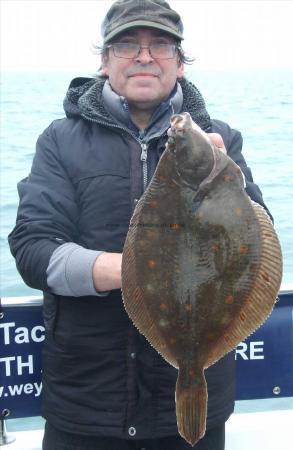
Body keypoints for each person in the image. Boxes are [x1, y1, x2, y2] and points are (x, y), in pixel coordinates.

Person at [8, 1, 270, 449]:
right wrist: (135, 274)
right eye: (127, 44)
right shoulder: (60, 140)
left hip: (195, 416)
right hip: (85, 407)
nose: (144, 56)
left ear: (180, 64)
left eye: (161, 45)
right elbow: (34, 249)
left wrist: (230, 179)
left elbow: (258, 248)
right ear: (104, 61)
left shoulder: (221, 140)